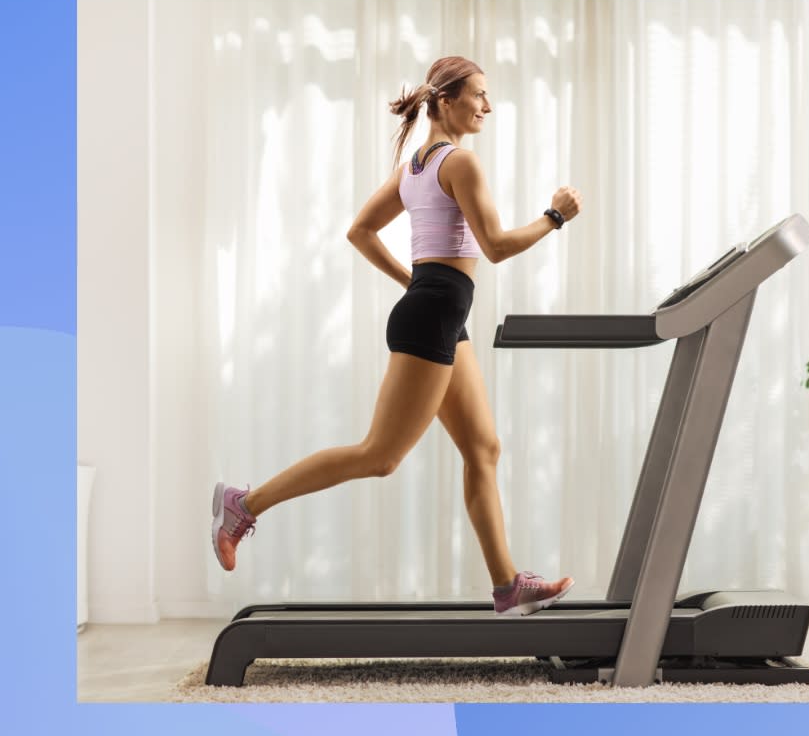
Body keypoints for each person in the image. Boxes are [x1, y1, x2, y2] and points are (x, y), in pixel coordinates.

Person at [210, 55, 583, 616]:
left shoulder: (415, 165)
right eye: (479, 95)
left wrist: (418, 280)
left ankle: (508, 586)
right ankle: (244, 503)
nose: (487, 105)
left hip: (440, 313)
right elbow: (498, 247)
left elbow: (360, 231)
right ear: (446, 101)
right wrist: (554, 217)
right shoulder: (459, 163)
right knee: (380, 456)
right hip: (433, 315)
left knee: (484, 448)